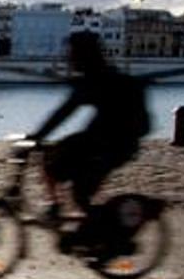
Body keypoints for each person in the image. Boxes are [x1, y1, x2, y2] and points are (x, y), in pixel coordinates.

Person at [28, 31, 150, 251]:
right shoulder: (95, 78)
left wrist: (37, 135)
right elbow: (65, 111)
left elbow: (63, 112)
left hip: (114, 145)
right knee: (52, 156)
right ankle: (56, 207)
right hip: (98, 139)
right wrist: (38, 136)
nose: (68, 58)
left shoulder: (96, 80)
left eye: (71, 54)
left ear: (84, 55)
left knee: (80, 191)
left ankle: (105, 235)